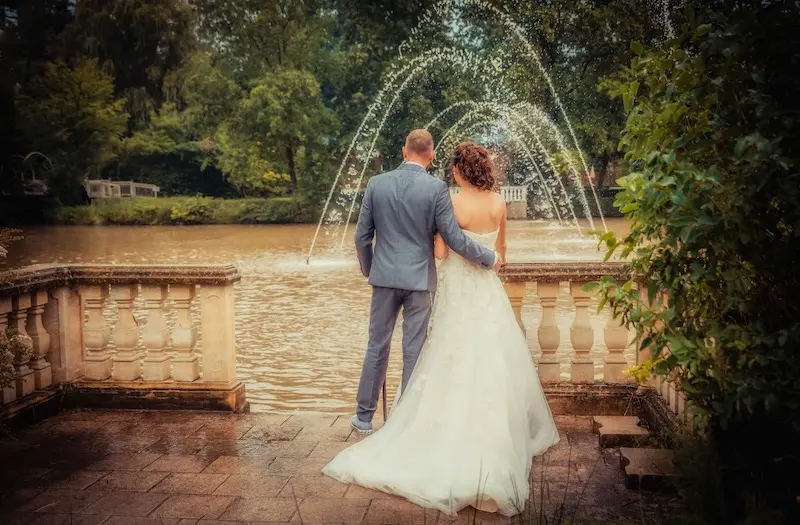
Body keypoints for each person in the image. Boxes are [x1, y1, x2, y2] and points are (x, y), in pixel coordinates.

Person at [323, 140, 559, 517]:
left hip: (391, 278)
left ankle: (364, 416)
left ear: (405, 150)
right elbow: (473, 246)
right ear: (430, 155)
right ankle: (409, 413)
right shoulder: (474, 199)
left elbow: (368, 238)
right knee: (428, 351)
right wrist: (488, 258)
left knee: (378, 345)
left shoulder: (379, 183)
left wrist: (371, 268)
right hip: (443, 284)